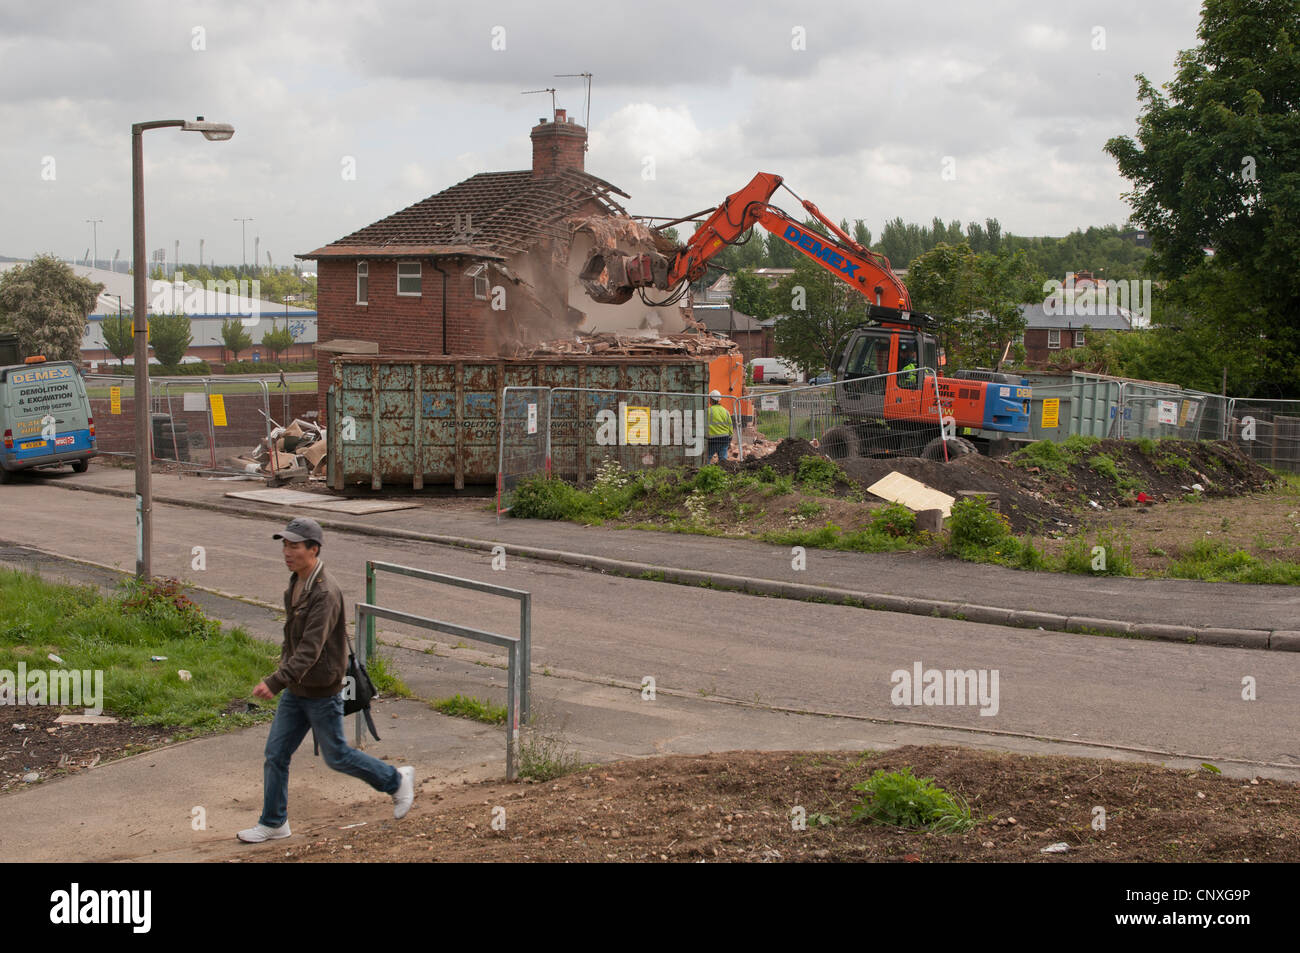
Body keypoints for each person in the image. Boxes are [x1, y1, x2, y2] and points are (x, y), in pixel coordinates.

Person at [237, 517, 414, 843]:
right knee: (276, 754)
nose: (287, 551)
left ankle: (396, 781)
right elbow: (292, 640)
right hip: (297, 688)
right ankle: (274, 822)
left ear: (313, 549)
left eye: (294, 545)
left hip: (322, 691)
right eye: (285, 545)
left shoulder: (325, 592)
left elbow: (310, 650)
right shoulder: (296, 582)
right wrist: (284, 675)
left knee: (337, 756)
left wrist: (275, 681)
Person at [706, 389, 732, 464]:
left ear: (711, 399)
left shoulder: (708, 411)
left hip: (713, 439)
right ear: (719, 400)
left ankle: (705, 472)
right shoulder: (726, 411)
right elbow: (730, 427)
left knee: (707, 457)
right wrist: (729, 439)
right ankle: (723, 473)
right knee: (723, 460)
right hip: (724, 438)